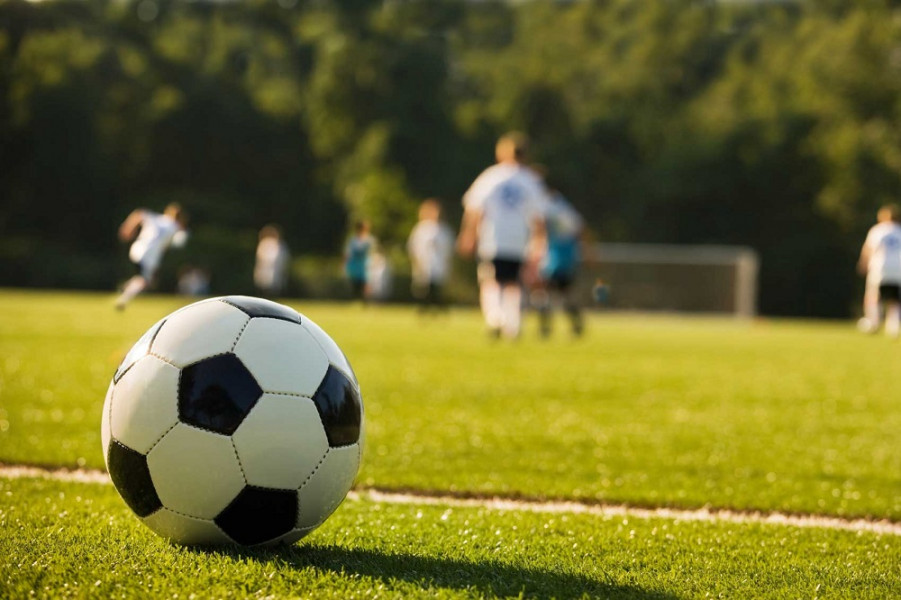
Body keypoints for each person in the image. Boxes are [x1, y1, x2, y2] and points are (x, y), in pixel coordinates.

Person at [457, 132, 547, 339]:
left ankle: (495, 318)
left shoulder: (491, 176)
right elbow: (539, 218)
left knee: (491, 281)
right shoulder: (531, 181)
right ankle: (512, 325)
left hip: (493, 238)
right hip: (519, 240)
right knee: (514, 284)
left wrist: (468, 234)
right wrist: (539, 242)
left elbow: (475, 208)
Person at [533, 185, 585, 337]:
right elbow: (580, 230)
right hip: (566, 260)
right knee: (564, 294)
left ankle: (545, 328)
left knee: (543, 294)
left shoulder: (547, 208)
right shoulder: (567, 209)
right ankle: (576, 326)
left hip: (552, 260)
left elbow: (539, 231)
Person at [115, 203, 188, 310]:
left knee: (143, 279)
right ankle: (123, 299)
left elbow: (139, 213)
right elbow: (175, 243)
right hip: (150, 256)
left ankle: (126, 287)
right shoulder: (175, 227)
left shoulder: (157, 218)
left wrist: (128, 228)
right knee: (144, 281)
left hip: (137, 249)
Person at [857, 203, 901, 337]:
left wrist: (863, 264)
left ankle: (873, 323)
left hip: (880, 267)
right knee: (894, 299)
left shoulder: (878, 230)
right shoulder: (899, 230)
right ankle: (893, 327)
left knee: (873, 297)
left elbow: (868, 249)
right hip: (898, 268)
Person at [407, 198, 455, 311]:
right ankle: (424, 308)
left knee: (437, 289)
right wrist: (417, 262)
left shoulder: (444, 230)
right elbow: (414, 247)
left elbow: (449, 248)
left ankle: (438, 308)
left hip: (439, 264)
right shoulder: (421, 229)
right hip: (424, 263)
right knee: (424, 289)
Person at [254, 224, 291, 297]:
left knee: (275, 286)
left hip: (276, 268)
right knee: (264, 285)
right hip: (265, 268)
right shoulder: (264, 243)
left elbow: (283, 258)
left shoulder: (280, 245)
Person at [344, 220, 376, 301]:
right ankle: (355, 300)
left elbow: (373, 252)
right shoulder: (353, 240)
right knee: (355, 284)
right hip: (355, 265)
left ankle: (365, 301)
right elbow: (348, 253)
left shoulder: (370, 240)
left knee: (365, 284)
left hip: (365, 265)